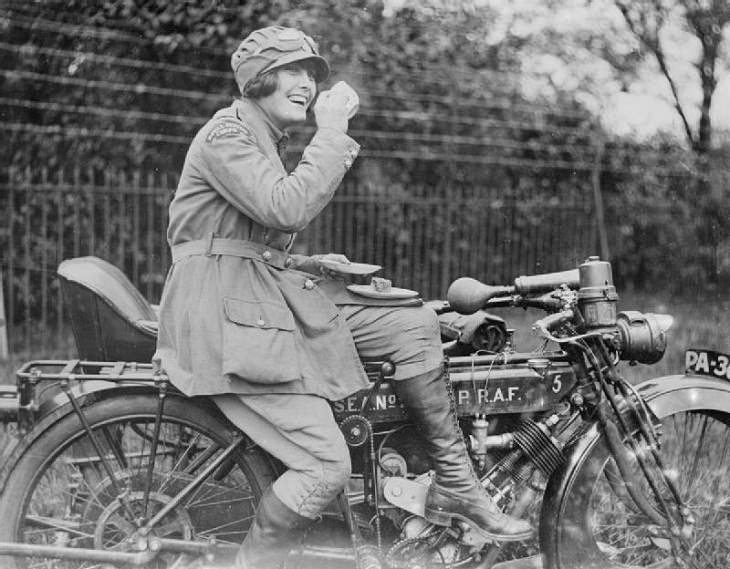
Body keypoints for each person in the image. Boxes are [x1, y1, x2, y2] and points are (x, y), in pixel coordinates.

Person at [155, 25, 531, 569]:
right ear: (258, 78)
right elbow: (284, 209)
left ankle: (456, 484)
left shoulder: (260, 136)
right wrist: (330, 132)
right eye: (293, 70)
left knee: (410, 322)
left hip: (255, 301)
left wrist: (312, 265)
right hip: (222, 316)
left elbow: (250, 240)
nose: (307, 82)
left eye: (312, 73)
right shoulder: (226, 135)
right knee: (324, 465)